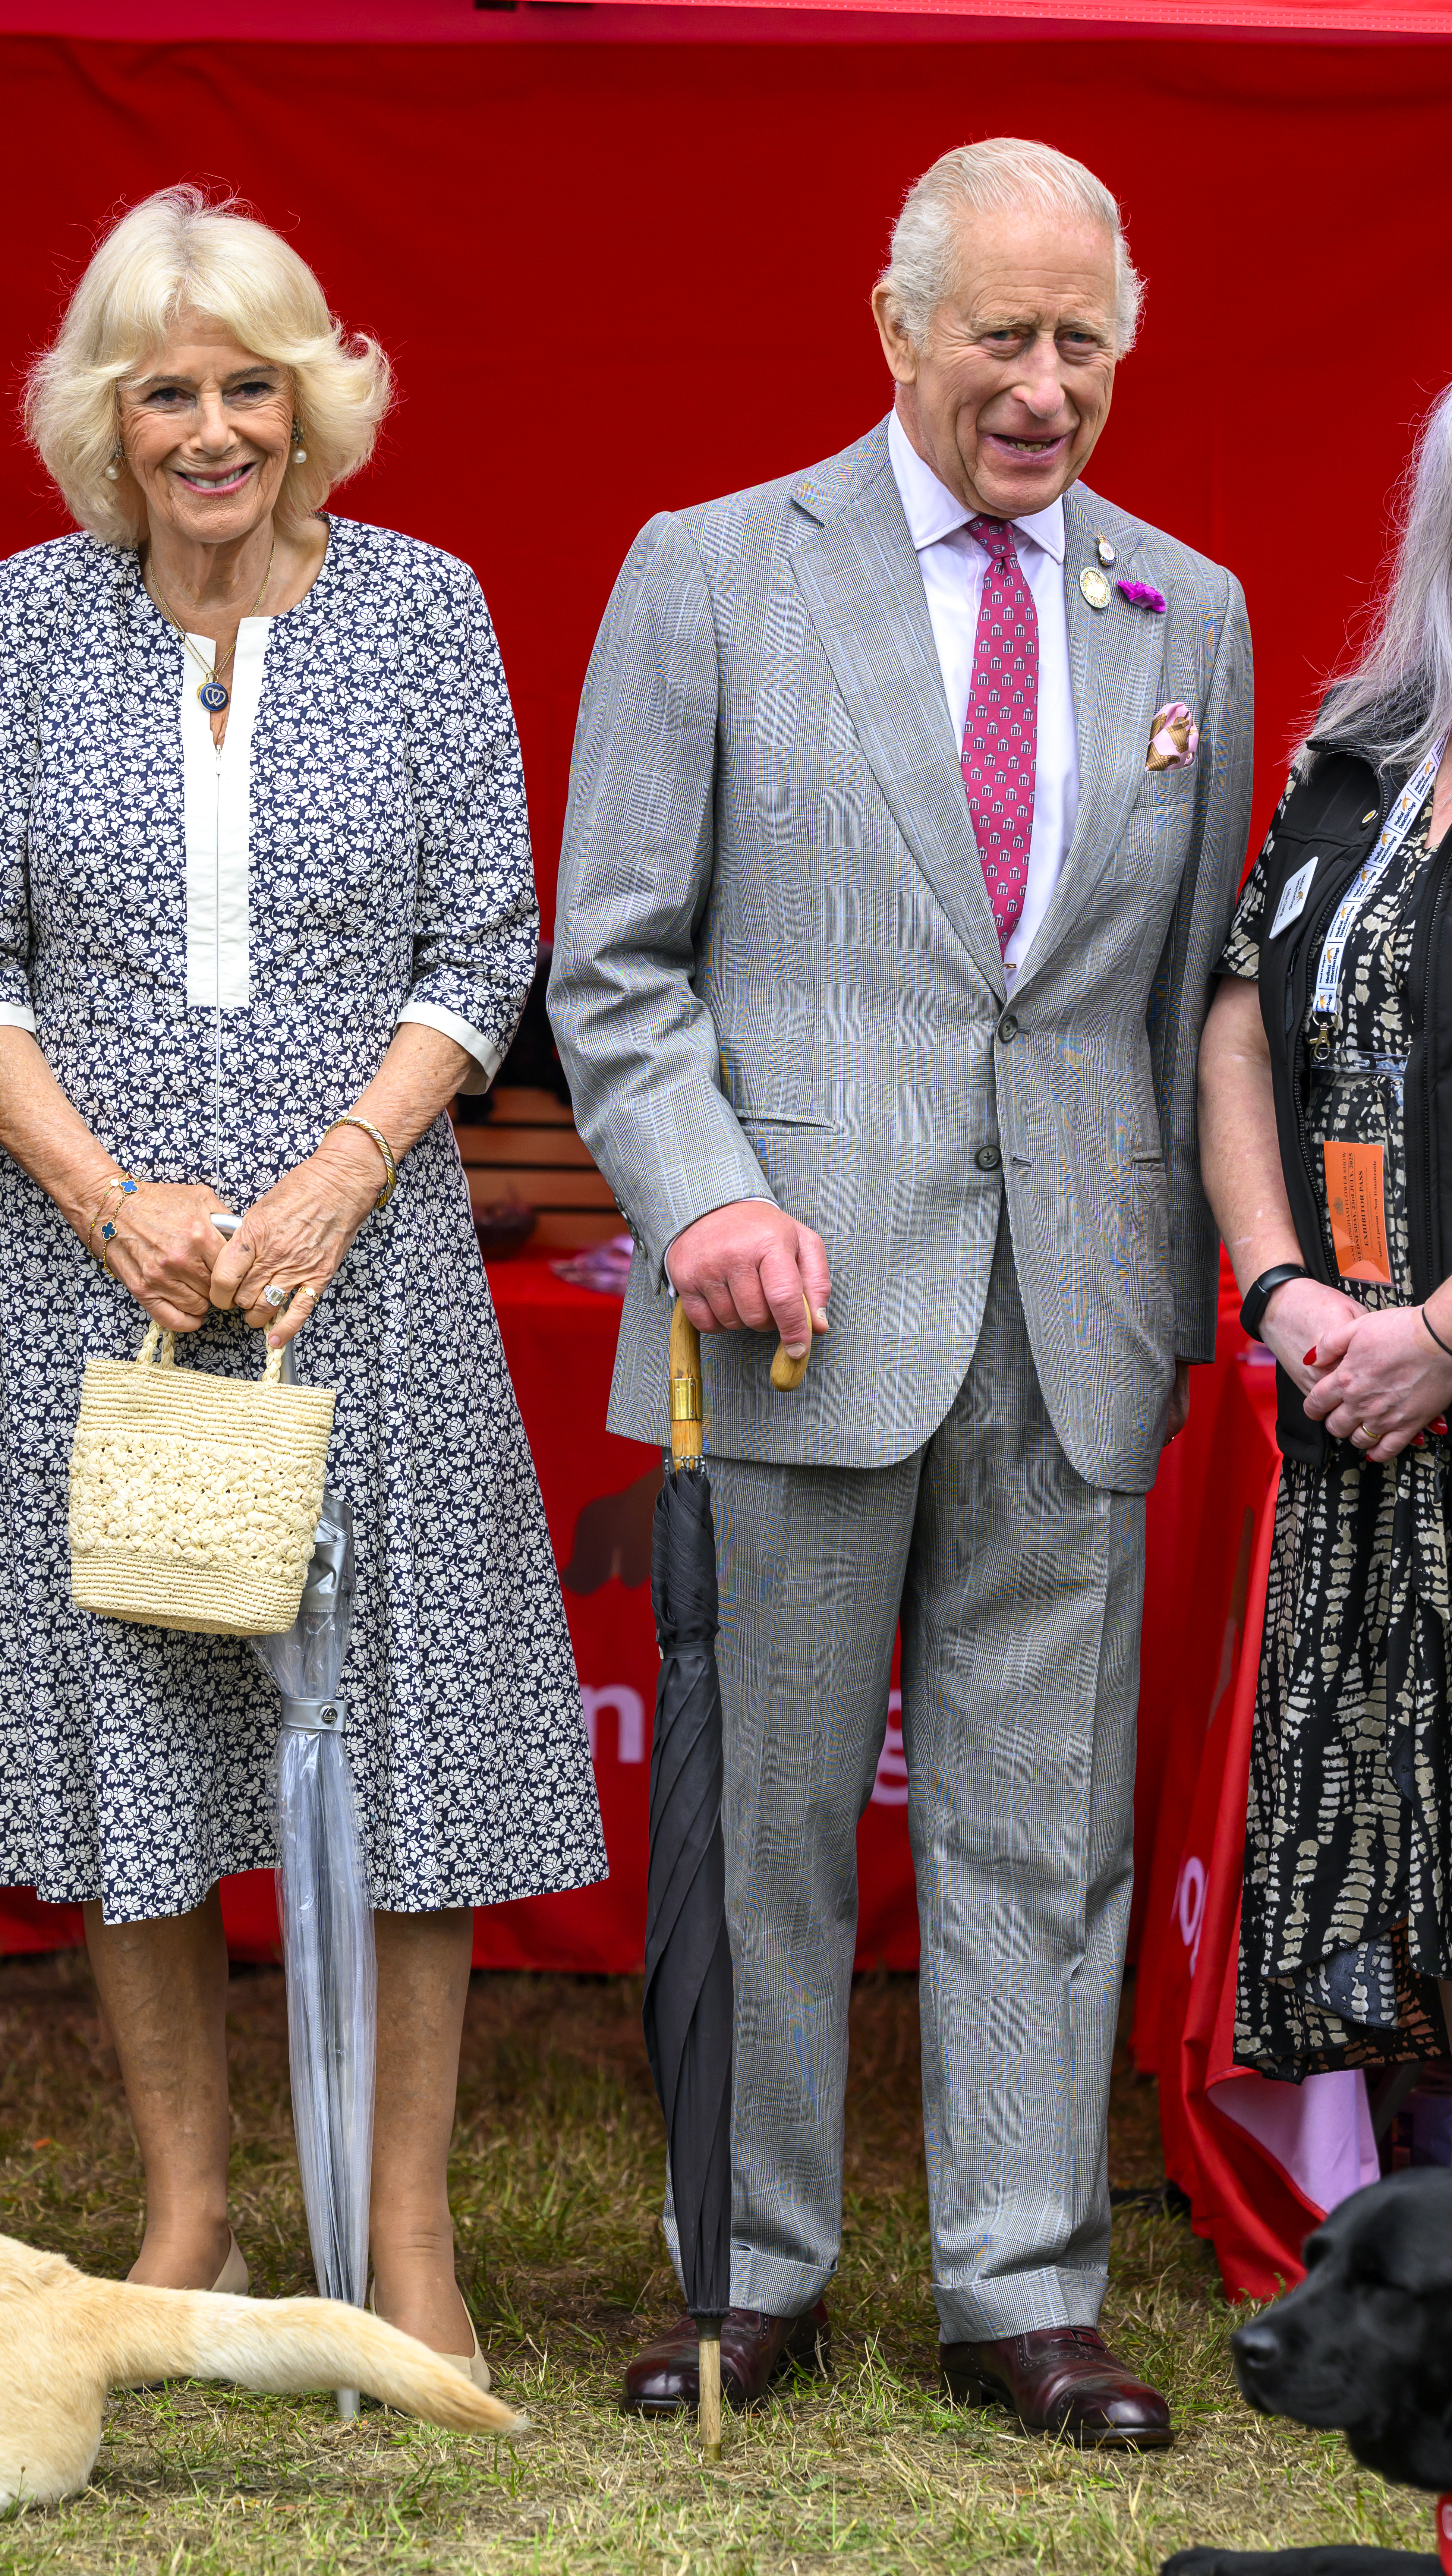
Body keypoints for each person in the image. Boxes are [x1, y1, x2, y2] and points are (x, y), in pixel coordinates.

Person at [551, 138, 1252, 2444]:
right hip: (794, 1306)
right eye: (1005, 341)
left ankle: (1023, 2284)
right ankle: (746, 2271)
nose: (1046, 390)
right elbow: (617, 966)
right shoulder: (715, 570)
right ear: (896, 329)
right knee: (760, 1821)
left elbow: (1167, 1012)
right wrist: (706, 1198)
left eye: (1086, 348)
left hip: (1075, 1303)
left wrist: (1168, 1290)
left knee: (1042, 1819)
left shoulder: (1195, 613)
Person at [0, 188, 605, 2366]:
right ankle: (190, 2213)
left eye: (247, 383)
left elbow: (489, 937)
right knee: (131, 1737)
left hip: (356, 1266)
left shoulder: (427, 609)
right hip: (88, 1265)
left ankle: (400, 2240)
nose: (213, 428)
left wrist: (326, 1181)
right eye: (167, 390)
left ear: (315, 399)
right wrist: (118, 1195)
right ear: (105, 424)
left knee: (402, 1743)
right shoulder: (28, 617)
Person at [1200, 382, 1452, 2084]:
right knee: (1394, 1882)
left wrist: (1443, 1336)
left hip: (1422, 1363)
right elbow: (1236, 1022)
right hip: (1353, 1392)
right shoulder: (1356, 753)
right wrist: (1283, 1286)